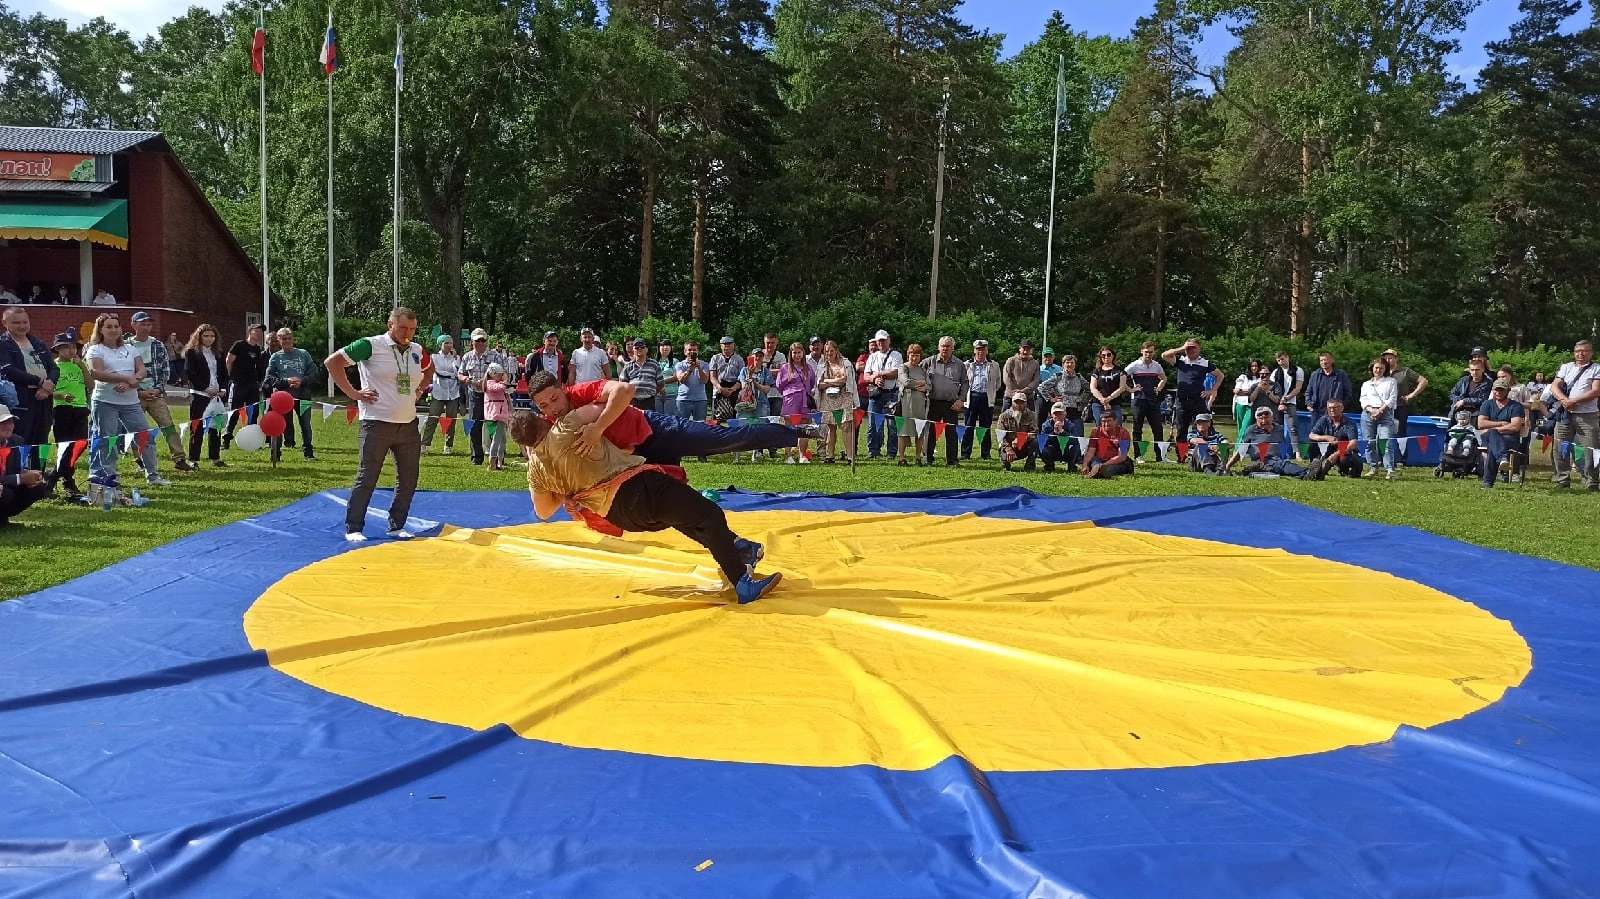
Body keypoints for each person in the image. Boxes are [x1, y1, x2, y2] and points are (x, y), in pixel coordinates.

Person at [511, 410, 781, 604]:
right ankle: (742, 584)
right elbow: (605, 406)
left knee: (687, 519)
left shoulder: (535, 469)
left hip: (622, 517)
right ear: (541, 420)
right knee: (709, 514)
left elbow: (543, 511)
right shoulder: (566, 426)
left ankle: (739, 548)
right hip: (636, 489)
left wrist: (565, 492)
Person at [528, 370, 817, 468]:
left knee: (727, 439)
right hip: (636, 459)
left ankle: (799, 432)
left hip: (657, 430)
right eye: (544, 405)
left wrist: (597, 428)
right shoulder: (550, 421)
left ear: (562, 390)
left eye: (554, 399)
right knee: (663, 510)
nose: (552, 408)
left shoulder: (580, 392)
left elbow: (625, 390)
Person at [325, 308, 432, 542]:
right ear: (390, 325)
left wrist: (421, 389)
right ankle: (354, 528)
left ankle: (396, 525)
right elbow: (333, 363)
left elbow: (429, 368)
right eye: (403, 328)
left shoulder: (416, 350)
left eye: (413, 329)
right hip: (376, 423)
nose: (408, 334)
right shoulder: (370, 345)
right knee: (368, 476)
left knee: (408, 478)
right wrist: (354, 392)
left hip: (408, 425)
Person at [84, 312, 163, 492]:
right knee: (107, 439)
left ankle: (153, 474)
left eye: (116, 326)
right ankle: (107, 475)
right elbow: (96, 372)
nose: (113, 330)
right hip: (105, 401)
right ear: (101, 330)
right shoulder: (95, 349)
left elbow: (141, 370)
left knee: (145, 436)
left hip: (131, 402)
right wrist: (126, 379)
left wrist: (133, 380)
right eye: (109, 327)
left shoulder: (130, 348)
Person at [126, 311, 195, 474]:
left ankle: (179, 459)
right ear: (134, 325)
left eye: (148, 324)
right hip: (135, 395)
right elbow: (122, 370)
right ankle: (140, 460)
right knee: (137, 430)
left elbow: (165, 370)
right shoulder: (126, 346)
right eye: (142, 324)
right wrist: (139, 391)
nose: (146, 327)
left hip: (156, 394)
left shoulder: (157, 344)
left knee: (169, 426)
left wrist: (158, 389)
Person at [0, 305, 59, 456]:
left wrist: (48, 386)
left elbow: (54, 368)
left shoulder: (38, 343)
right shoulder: (3, 344)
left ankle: (39, 476)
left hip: (44, 398)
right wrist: (40, 382)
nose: (22, 326)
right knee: (20, 440)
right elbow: (8, 370)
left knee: (42, 441)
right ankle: (21, 476)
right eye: (16, 323)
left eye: (25, 322)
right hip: (20, 401)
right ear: (5, 323)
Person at [1550, 339, 1600, 491]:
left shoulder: (1596, 368)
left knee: (1591, 448)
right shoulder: (1566, 367)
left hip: (1587, 415)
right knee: (1560, 446)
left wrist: (1575, 400)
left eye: (1584, 351)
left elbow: (1596, 391)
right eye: (1578, 351)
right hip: (1565, 413)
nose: (1580, 354)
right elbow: (1554, 386)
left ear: (1591, 353)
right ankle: (1562, 479)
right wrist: (1565, 400)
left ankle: (1592, 480)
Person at [263, 327, 319, 461]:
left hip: (303, 395)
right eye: (284, 339)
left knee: (305, 424)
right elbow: (269, 378)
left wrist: (302, 380)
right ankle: (275, 454)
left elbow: (314, 373)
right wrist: (286, 381)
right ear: (279, 340)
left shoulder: (304, 354)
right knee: (278, 424)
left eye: (289, 338)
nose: (287, 341)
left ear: (293, 339)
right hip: (282, 397)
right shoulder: (275, 357)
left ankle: (308, 453)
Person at [49, 333, 89, 501]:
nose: (72, 350)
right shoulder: (53, 366)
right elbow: (48, 391)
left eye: (74, 347)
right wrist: (61, 396)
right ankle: (67, 481)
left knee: (80, 444)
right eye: (66, 347)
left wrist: (83, 367)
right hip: (62, 409)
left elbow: (91, 385)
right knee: (65, 447)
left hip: (80, 409)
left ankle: (52, 477)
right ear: (58, 349)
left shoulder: (80, 365)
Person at [183, 324, 229, 467]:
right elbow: (190, 373)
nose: (209, 339)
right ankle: (194, 459)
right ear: (199, 337)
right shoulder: (192, 352)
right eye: (206, 336)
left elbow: (224, 375)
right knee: (196, 427)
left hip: (216, 395)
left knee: (216, 427)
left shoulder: (219, 353)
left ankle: (215, 458)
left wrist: (222, 390)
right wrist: (205, 388)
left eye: (212, 336)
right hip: (199, 394)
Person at [458, 329, 506, 466]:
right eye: (477, 340)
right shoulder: (467, 357)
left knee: (494, 427)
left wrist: (487, 382)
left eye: (483, 340)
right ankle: (476, 457)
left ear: (487, 341)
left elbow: (503, 375)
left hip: (492, 396)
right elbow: (460, 374)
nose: (480, 343)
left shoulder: (495, 356)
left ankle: (497, 457)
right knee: (474, 426)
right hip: (474, 395)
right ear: (472, 342)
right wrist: (465, 378)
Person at [1161, 339, 1223, 443]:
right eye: (1189, 348)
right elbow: (1164, 355)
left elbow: (1220, 375)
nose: (1191, 350)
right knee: (1181, 429)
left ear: (1199, 349)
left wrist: (1211, 391)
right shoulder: (1181, 360)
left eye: (1194, 347)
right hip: (1182, 400)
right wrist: (1181, 348)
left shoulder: (1205, 363)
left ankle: (1203, 451)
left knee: (1203, 426)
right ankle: (1182, 456)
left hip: (1197, 400)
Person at [0, 404, 51, 526]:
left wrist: (29, 474)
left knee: (38, 488)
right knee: (6, 493)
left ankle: (2, 519)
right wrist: (19, 479)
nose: (9, 426)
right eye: (3, 422)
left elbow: (20, 467)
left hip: (7, 484)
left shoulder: (17, 441)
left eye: (11, 421)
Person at [1226, 406, 1312, 479]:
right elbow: (1241, 449)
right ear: (1256, 420)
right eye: (1261, 419)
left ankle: (1310, 473)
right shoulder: (1252, 430)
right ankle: (1307, 472)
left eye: (1266, 418)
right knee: (1283, 465)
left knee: (1281, 465)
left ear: (1272, 417)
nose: (1264, 421)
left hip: (1276, 459)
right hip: (1261, 460)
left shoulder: (1279, 429)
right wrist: (1228, 465)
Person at [222, 324, 268, 449]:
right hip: (238, 384)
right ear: (249, 332)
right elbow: (228, 361)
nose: (258, 334)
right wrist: (231, 378)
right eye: (256, 331)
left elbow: (258, 368)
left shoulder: (258, 349)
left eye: (260, 332)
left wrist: (259, 381)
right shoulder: (239, 345)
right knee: (234, 412)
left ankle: (252, 440)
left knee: (253, 413)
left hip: (252, 385)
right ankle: (226, 439)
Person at [1476, 377, 1525, 490]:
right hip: (1490, 437)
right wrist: (1501, 424)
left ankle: (1487, 482)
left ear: (1508, 391)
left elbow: (1515, 427)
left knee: (1493, 443)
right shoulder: (1487, 404)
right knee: (1493, 439)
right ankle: (1502, 459)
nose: (1498, 392)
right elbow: (1481, 424)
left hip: (1509, 439)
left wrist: (1493, 428)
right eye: (1496, 390)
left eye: (1501, 390)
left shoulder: (1516, 406)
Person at [924, 337, 967, 467]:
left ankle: (952, 460)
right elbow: (916, 373)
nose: (945, 348)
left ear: (953, 348)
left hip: (952, 404)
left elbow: (965, 383)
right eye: (943, 346)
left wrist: (961, 400)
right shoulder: (928, 362)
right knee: (930, 431)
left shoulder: (959, 365)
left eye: (948, 346)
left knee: (952, 432)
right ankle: (928, 458)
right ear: (938, 347)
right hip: (932, 402)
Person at [1383, 348, 1429, 461]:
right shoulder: (1381, 371)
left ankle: (1401, 459)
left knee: (1400, 432)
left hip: (1400, 406)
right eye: (1386, 358)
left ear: (1396, 358)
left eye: (1390, 358)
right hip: (1383, 407)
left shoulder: (1405, 371)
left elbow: (1424, 381)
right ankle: (1383, 458)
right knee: (1382, 431)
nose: (1388, 360)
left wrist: (1411, 395)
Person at [816, 340, 858, 464]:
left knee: (846, 426)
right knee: (830, 427)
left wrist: (828, 381)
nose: (829, 353)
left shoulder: (846, 363)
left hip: (845, 396)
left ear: (836, 350)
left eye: (831, 351)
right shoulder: (822, 365)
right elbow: (819, 384)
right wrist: (834, 380)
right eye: (827, 351)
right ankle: (830, 455)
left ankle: (850, 456)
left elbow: (844, 380)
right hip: (828, 398)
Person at [864, 330, 903, 460]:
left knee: (892, 425)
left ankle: (891, 453)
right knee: (873, 424)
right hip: (876, 394)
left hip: (892, 394)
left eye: (883, 340)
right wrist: (874, 380)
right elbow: (866, 375)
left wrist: (880, 375)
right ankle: (873, 451)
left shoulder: (896, 355)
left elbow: (896, 372)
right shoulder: (873, 356)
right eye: (879, 341)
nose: (881, 343)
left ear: (889, 340)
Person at [1359, 358, 1399, 479]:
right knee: (1369, 442)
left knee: (1385, 442)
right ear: (1372, 368)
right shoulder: (1366, 384)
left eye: (1381, 368)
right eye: (1376, 367)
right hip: (1368, 413)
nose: (1378, 370)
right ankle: (1372, 467)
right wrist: (1371, 410)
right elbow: (1363, 399)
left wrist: (1380, 411)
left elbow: (1392, 398)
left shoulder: (1391, 381)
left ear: (1385, 369)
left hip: (1385, 413)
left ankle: (1389, 469)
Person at [777, 342, 816, 464]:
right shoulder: (785, 368)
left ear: (803, 353)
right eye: (794, 352)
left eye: (799, 352)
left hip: (805, 400)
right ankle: (788, 456)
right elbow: (779, 385)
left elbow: (812, 382)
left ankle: (802, 455)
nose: (797, 355)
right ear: (791, 354)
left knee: (804, 427)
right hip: (790, 399)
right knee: (790, 427)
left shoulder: (808, 367)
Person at [422, 335, 462, 454]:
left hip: (453, 393)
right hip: (439, 392)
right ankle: (424, 444)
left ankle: (448, 446)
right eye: (446, 343)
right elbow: (438, 372)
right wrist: (451, 375)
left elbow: (458, 372)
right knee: (433, 418)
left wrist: (455, 359)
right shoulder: (434, 357)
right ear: (441, 344)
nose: (449, 346)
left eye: (451, 343)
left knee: (451, 419)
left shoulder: (456, 358)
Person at [1263, 351, 1306, 460]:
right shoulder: (1276, 372)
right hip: (1276, 402)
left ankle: (1297, 453)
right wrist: (1278, 401)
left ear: (1287, 357)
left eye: (1282, 359)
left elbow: (1298, 388)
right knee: (1275, 427)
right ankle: (1275, 452)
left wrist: (1286, 398)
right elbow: (1271, 387)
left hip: (1290, 401)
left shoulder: (1297, 370)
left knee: (1293, 428)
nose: (1281, 362)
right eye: (1278, 360)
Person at [963, 339, 1002, 460]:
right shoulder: (966, 365)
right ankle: (965, 453)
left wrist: (990, 393)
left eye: (983, 349)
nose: (980, 352)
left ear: (987, 350)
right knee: (968, 426)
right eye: (978, 349)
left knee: (986, 427)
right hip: (971, 397)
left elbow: (998, 383)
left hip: (986, 397)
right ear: (974, 351)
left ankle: (986, 453)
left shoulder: (994, 365)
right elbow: (963, 382)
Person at [1124, 342, 1166, 448]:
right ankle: (1138, 455)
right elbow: (1121, 377)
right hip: (1138, 400)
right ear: (1142, 351)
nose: (1148, 354)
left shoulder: (1156, 365)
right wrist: (1130, 389)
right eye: (1146, 352)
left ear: (1154, 352)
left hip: (1152, 400)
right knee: (1137, 428)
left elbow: (1164, 378)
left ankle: (1160, 455)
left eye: (1151, 352)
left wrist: (1159, 388)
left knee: (1158, 428)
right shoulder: (1134, 365)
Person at [1306, 399, 1362, 479]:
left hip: (1344, 451)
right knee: (1312, 443)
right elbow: (1311, 435)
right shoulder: (1323, 420)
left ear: (1342, 408)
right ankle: (1316, 467)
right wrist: (1326, 437)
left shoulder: (1349, 422)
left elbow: (1353, 443)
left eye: (1335, 407)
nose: (1332, 410)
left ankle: (1344, 470)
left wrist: (1336, 454)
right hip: (1328, 450)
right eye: (1329, 408)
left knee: (1346, 457)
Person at [896, 343, 930, 466]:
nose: (914, 358)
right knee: (903, 431)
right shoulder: (903, 368)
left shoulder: (922, 370)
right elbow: (905, 382)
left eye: (917, 355)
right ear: (908, 355)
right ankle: (901, 457)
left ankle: (918, 457)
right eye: (912, 355)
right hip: (906, 403)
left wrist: (923, 386)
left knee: (919, 431)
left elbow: (929, 386)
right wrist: (920, 383)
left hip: (920, 404)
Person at [1081, 412, 1133, 479]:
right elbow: (1090, 452)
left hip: (1115, 463)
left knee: (1110, 469)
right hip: (1098, 461)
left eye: (1109, 421)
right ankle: (1098, 471)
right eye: (1103, 421)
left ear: (1115, 421)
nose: (1106, 424)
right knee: (1094, 460)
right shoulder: (1095, 431)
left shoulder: (1124, 433)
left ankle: (1097, 471)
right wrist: (1085, 465)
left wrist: (1103, 466)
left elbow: (1122, 456)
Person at [1001, 338, 1040, 429]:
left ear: (1031, 350)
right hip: (1010, 396)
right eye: (1024, 348)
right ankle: (1004, 442)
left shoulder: (1035, 364)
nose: (1026, 351)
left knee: (1031, 423)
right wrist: (1015, 392)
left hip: (1028, 397)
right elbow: (1006, 377)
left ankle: (1027, 442)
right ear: (1020, 349)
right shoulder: (1011, 360)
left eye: (1028, 349)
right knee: (1004, 422)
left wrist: (1024, 391)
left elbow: (1036, 380)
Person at [672, 341, 713, 426]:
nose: (692, 352)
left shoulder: (704, 364)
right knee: (681, 426)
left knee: (700, 426)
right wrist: (690, 369)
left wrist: (698, 368)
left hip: (700, 400)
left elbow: (705, 380)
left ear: (697, 351)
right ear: (685, 352)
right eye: (689, 350)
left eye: (694, 350)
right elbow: (681, 379)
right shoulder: (680, 365)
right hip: (683, 399)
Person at [997, 391, 1039, 473]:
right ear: (1012, 402)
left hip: (1024, 446)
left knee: (1035, 442)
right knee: (1005, 460)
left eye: (1021, 402)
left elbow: (1034, 432)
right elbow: (1000, 436)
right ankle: (1006, 465)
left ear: (1026, 403)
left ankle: (1030, 467)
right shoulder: (1003, 416)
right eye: (1016, 402)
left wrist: (1021, 439)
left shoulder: (1032, 415)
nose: (1018, 405)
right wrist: (1008, 449)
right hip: (1008, 446)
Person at [1304, 352, 1351, 424]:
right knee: (1316, 434)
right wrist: (1309, 404)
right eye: (1321, 360)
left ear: (1332, 360)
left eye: (1325, 360)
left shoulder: (1341, 375)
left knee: (1333, 434)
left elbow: (1348, 393)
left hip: (1334, 412)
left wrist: (1341, 405)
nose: (1323, 362)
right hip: (1317, 412)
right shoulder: (1315, 375)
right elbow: (1308, 392)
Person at [1088, 346, 1128, 427]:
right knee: (1100, 427)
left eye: (1108, 354)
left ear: (1113, 355)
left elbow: (1122, 387)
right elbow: (1093, 388)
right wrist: (1103, 400)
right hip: (1098, 404)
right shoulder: (1097, 371)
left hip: (1115, 403)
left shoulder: (1120, 370)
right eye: (1103, 355)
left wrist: (1109, 398)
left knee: (1117, 427)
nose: (1106, 357)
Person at [1448, 354, 1493, 424]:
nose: (1475, 372)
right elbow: (1452, 393)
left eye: (1477, 370)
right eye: (1472, 370)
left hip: (1476, 412)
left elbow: (1484, 399)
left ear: (1483, 369)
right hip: (1458, 410)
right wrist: (1459, 400)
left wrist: (1464, 401)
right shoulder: (1463, 380)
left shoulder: (1488, 383)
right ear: (1469, 370)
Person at [482, 362, 511, 471]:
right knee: (496, 440)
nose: (501, 376)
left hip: (501, 414)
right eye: (499, 375)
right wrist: (505, 381)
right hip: (495, 415)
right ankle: (492, 463)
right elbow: (498, 388)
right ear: (493, 374)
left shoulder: (496, 383)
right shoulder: (489, 383)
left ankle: (500, 461)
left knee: (502, 440)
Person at [621, 339, 663, 411]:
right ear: (633, 350)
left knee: (648, 422)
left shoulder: (654, 364)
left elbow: (660, 383)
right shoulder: (628, 366)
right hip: (632, 402)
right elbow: (622, 385)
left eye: (642, 347)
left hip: (649, 401)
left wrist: (651, 392)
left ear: (646, 349)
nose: (639, 349)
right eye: (637, 348)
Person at [1039, 402, 1080, 472]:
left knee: (1076, 447)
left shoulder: (1071, 425)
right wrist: (1054, 433)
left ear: (1065, 415)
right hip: (1053, 450)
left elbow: (1075, 441)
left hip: (1066, 451)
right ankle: (1049, 467)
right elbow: (1043, 442)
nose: (1057, 416)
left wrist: (1062, 432)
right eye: (1055, 414)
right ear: (1052, 415)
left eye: (1060, 414)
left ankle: (1072, 467)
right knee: (1042, 448)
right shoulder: (1046, 425)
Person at [1232, 358, 1265, 442]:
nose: (1254, 368)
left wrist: (1244, 391)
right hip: (1240, 404)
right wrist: (1251, 391)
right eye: (1252, 366)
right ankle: (1244, 447)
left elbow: (1260, 391)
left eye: (1256, 366)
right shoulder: (1243, 377)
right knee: (1240, 428)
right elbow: (1236, 391)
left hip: (1252, 405)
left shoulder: (1261, 378)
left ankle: (1238, 449)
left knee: (1245, 428)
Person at [654, 339, 678, 415]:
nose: (665, 347)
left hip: (671, 395)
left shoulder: (675, 361)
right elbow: (651, 377)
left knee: (669, 420)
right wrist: (659, 387)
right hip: (656, 395)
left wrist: (661, 382)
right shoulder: (653, 362)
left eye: (667, 345)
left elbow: (676, 377)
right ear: (658, 348)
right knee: (658, 420)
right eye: (662, 345)